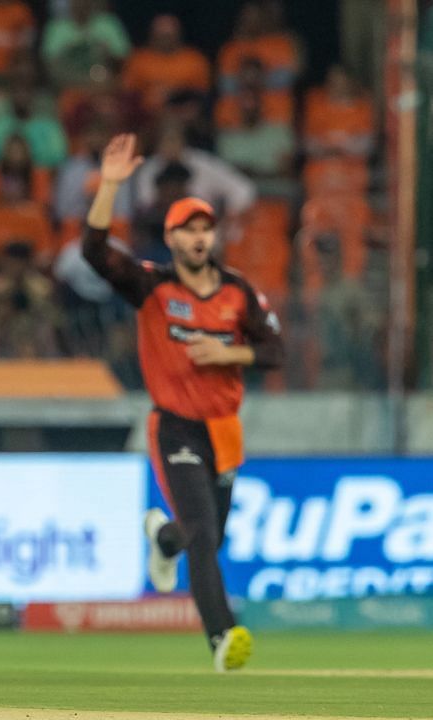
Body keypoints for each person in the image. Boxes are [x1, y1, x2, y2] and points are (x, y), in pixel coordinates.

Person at [81, 134, 283, 672]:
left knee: (201, 534)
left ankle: (161, 538)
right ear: (169, 238)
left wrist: (226, 351)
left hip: (223, 429)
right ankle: (223, 637)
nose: (197, 237)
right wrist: (111, 186)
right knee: (202, 530)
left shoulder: (238, 293)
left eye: (204, 228)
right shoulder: (152, 287)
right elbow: (95, 253)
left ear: (214, 236)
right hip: (174, 425)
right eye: (186, 229)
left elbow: (273, 351)